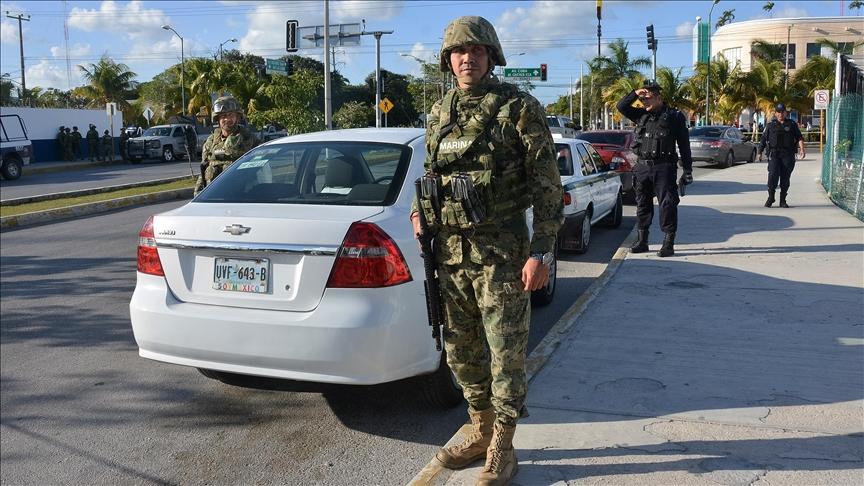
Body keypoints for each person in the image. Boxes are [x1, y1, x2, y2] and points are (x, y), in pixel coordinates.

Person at [410, 16, 563, 485]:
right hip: (449, 258)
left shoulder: (518, 107)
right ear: (447, 59)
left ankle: (503, 444)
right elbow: (432, 175)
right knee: (461, 353)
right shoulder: (439, 113)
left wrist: (542, 252)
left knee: (505, 355)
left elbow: (547, 186)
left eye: (476, 50)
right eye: (458, 51)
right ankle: (479, 429)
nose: (467, 58)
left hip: (502, 258)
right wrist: (421, 214)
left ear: (491, 55)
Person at [616, 79, 693, 257]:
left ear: (658, 98)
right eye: (643, 100)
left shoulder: (674, 116)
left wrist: (687, 170)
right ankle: (642, 241)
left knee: (667, 204)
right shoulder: (641, 115)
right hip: (642, 167)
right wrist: (636, 93)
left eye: (648, 98)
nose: (645, 102)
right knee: (642, 204)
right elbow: (622, 106)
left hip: (664, 168)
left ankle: (668, 243)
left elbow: (684, 144)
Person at [194, 96, 256, 195]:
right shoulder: (210, 142)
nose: (227, 119)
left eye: (231, 115)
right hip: (216, 198)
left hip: (244, 198)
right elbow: (204, 171)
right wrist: (198, 195)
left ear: (238, 117)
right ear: (217, 119)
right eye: (223, 116)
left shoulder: (250, 140)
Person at [758, 103, 805, 208]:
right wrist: (759, 152)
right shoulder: (770, 125)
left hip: (787, 155)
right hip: (774, 154)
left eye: (782, 112)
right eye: (778, 112)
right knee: (772, 175)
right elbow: (763, 140)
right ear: (775, 113)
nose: (780, 114)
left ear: (785, 113)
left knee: (785, 177)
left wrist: (802, 149)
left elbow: (799, 137)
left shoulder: (792, 124)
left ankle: (783, 200)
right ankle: (771, 197)